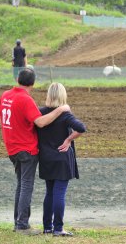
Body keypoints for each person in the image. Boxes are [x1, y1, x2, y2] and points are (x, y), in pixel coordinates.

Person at [0, 68, 71, 235]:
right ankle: (22, 225)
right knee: (26, 186)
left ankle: (18, 222)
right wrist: (60, 109)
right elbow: (40, 122)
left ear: (17, 79)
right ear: (33, 84)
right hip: (26, 149)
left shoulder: (5, 95)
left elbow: (0, 116)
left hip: (11, 147)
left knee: (20, 184)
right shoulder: (25, 99)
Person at [37, 82, 86, 237]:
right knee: (59, 193)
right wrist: (68, 140)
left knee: (49, 193)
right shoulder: (65, 114)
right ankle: (58, 229)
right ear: (63, 96)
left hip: (45, 158)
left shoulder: (40, 113)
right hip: (61, 159)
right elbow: (81, 128)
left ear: (49, 95)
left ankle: (47, 227)